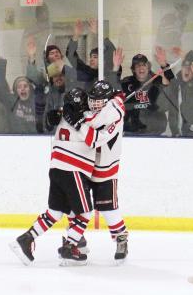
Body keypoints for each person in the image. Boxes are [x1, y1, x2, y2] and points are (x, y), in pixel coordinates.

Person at [10, 87, 121, 266]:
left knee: (55, 212)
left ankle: (26, 239)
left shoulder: (64, 116)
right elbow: (95, 138)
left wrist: (53, 115)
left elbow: (51, 121)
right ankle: (70, 247)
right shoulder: (86, 120)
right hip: (73, 169)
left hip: (56, 168)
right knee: (85, 213)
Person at [85, 80, 129, 261]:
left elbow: (95, 125)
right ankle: (75, 239)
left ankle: (121, 238)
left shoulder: (115, 111)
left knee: (109, 209)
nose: (95, 104)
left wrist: (79, 117)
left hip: (105, 168)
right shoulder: (108, 107)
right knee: (78, 206)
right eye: (92, 100)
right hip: (85, 166)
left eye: (99, 101)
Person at [117, 48, 176, 135]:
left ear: (148, 67)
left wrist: (164, 65)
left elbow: (174, 86)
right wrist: (116, 68)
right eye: (137, 66)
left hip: (156, 131)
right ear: (133, 70)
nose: (141, 67)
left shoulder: (158, 80)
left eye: (144, 65)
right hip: (132, 133)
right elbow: (113, 88)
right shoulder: (126, 83)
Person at [166, 50, 193, 137]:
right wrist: (164, 65)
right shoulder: (178, 83)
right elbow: (169, 80)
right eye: (184, 67)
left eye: (190, 68)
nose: (187, 70)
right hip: (177, 133)